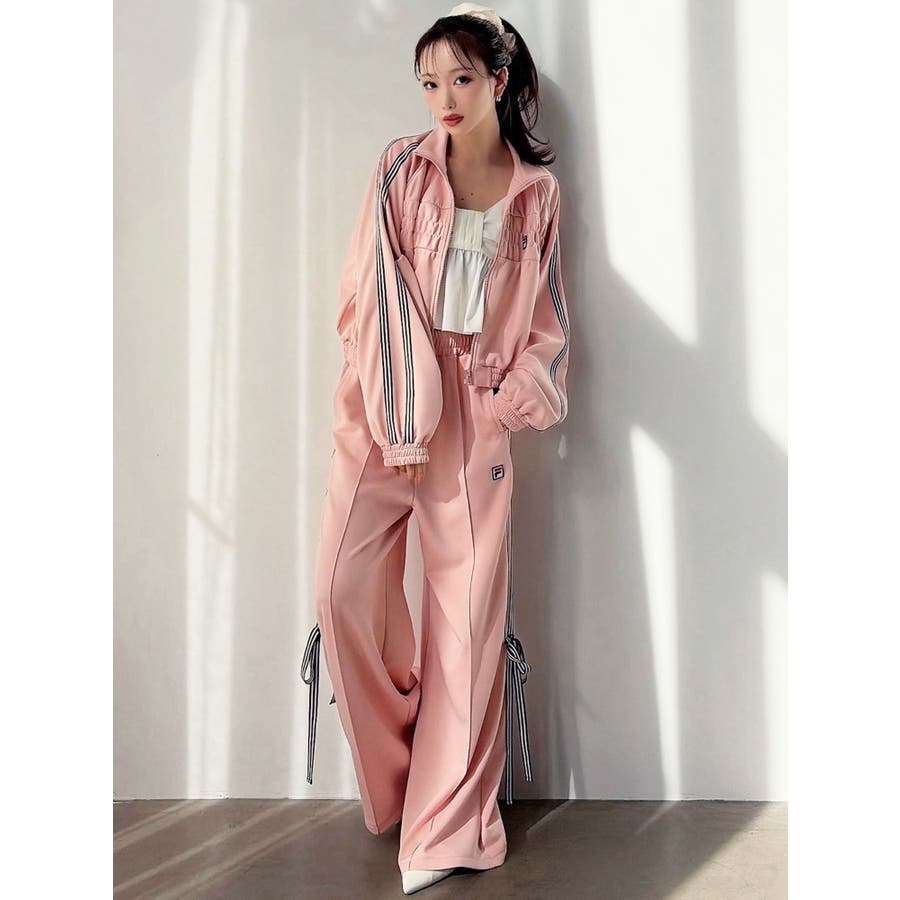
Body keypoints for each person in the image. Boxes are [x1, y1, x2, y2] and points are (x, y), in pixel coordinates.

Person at [300, 3, 571, 894]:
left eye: (460, 78)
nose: (443, 97)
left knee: (466, 622)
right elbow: (368, 292)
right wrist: (406, 413)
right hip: (386, 399)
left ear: (498, 80)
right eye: (428, 82)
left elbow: (549, 316)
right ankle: (405, 774)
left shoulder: (536, 191)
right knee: (341, 590)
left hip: (477, 409)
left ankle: (446, 824)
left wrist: (516, 390)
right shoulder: (399, 169)